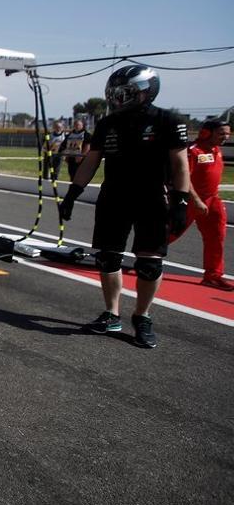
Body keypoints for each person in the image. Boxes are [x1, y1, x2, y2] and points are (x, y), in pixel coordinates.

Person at [58, 65, 189, 348]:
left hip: (152, 197)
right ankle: (111, 313)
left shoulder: (168, 120)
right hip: (114, 196)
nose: (118, 99)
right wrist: (72, 193)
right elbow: (91, 161)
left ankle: (142, 316)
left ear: (146, 91)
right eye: (114, 94)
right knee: (107, 257)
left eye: (125, 93)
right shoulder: (107, 124)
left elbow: (180, 164)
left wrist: (181, 200)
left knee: (149, 263)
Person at [171, 118, 231, 291]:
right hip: (190, 199)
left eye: (227, 133)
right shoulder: (193, 151)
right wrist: (196, 200)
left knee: (217, 237)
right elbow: (183, 177)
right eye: (221, 133)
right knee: (172, 232)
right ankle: (147, 256)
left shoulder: (217, 151)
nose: (225, 137)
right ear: (206, 133)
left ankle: (213, 275)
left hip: (213, 200)